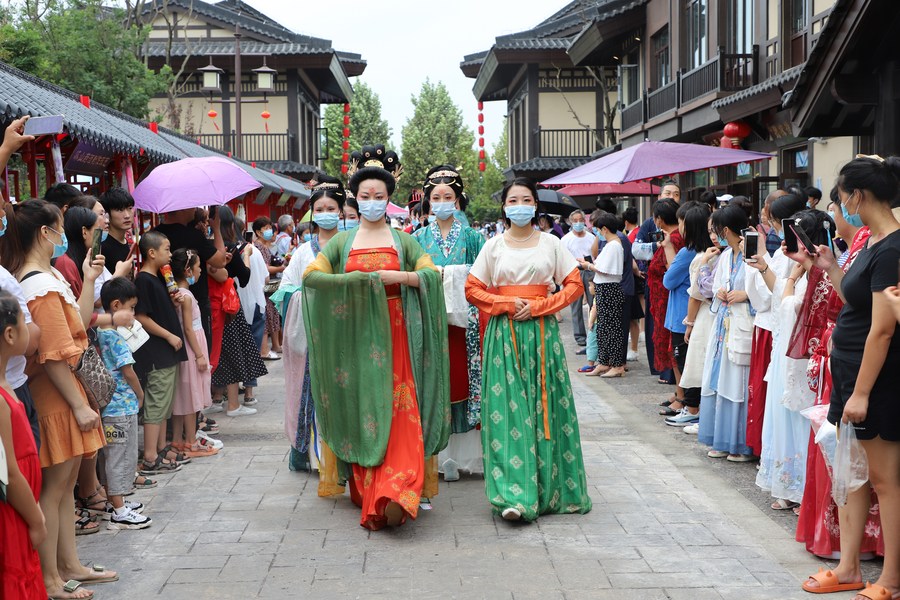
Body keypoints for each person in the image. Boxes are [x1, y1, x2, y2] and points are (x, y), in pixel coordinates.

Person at [303, 144, 449, 530]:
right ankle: (371, 490)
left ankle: (398, 488)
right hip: (357, 341)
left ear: (389, 198)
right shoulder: (340, 243)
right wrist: (355, 282)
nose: (372, 202)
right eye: (365, 196)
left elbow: (432, 276)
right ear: (355, 197)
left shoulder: (404, 240)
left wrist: (399, 278)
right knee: (366, 410)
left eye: (379, 196)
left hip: (399, 336)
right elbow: (311, 278)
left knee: (402, 410)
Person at [3, 198, 116, 599]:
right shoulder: (38, 283)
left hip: (65, 392)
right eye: (60, 227)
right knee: (54, 487)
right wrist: (80, 405)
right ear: (44, 233)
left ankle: (69, 564)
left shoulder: (47, 275)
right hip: (58, 395)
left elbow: (78, 325)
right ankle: (51, 577)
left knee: (65, 486)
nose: (64, 235)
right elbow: (52, 354)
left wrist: (86, 277)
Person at [800, 155, 900, 600]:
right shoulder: (873, 241)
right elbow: (855, 303)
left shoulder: (893, 247)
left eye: (842, 199)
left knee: (884, 479)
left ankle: (891, 578)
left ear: (857, 195)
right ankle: (847, 568)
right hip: (850, 373)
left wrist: (861, 392)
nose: (843, 207)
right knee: (854, 474)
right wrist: (832, 268)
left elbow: (882, 328)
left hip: (874, 379)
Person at [465, 176, 592, 522]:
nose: (519, 206)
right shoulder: (493, 246)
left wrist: (539, 306)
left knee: (543, 409)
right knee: (507, 412)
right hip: (504, 336)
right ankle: (512, 495)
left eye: (526, 200)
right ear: (504, 208)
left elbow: (575, 284)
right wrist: (505, 304)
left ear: (535, 206)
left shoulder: (551, 243)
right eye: (513, 201)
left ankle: (549, 490)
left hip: (541, 336)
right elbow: (473, 289)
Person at [412, 164, 485, 481]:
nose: (442, 201)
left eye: (449, 196)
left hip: (465, 325)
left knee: (464, 381)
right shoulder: (416, 239)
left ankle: (468, 455)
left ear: (457, 200)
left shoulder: (473, 237)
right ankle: (439, 456)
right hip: (430, 322)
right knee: (435, 383)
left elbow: (484, 279)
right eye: (436, 196)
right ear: (428, 201)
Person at [277, 175, 346, 483]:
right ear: (312, 213)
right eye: (320, 208)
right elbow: (285, 289)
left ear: (341, 211)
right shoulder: (304, 251)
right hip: (311, 333)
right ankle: (313, 455)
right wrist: (308, 295)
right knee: (314, 395)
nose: (326, 212)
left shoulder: (351, 246)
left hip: (346, 332)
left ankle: (345, 453)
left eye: (332, 207)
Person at [743, 193, 807, 456]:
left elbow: (776, 297)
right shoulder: (784, 252)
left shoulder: (792, 253)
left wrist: (762, 263)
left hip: (783, 329)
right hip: (778, 328)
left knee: (784, 399)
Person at [697, 204, 755, 462]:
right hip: (725, 323)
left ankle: (740, 443)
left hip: (742, 322)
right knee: (721, 378)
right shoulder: (726, 256)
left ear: (728, 230)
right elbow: (719, 284)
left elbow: (766, 291)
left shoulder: (752, 253)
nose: (715, 236)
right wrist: (721, 291)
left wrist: (746, 295)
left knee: (738, 382)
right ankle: (722, 438)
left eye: (718, 231)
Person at [0, 289, 46, 600]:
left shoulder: (7, 382)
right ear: (10, 333)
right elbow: (10, 473)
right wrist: (37, 518)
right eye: (25, 321)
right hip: (15, 512)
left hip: (21, 507)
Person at [96, 278, 152, 530]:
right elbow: (128, 371)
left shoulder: (100, 332)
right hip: (121, 408)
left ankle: (115, 501)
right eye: (130, 308)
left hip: (110, 408)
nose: (132, 314)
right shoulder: (115, 337)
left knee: (112, 456)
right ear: (116, 305)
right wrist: (140, 394)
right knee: (119, 456)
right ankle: (119, 510)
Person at [133, 231, 188, 475]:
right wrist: (167, 335)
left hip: (167, 351)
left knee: (164, 402)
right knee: (156, 403)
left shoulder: (157, 278)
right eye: (166, 249)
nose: (169, 253)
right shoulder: (143, 280)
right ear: (151, 253)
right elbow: (141, 316)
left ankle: (161, 447)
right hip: (157, 351)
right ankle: (150, 456)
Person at [207, 208, 268, 417]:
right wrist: (247, 256)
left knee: (218, 352)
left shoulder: (206, 248)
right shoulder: (229, 249)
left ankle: (216, 398)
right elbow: (243, 277)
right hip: (228, 307)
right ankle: (233, 404)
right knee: (233, 352)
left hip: (211, 306)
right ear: (231, 225)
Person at [663, 203, 713, 426]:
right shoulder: (709, 252)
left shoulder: (688, 253)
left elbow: (668, 280)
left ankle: (691, 406)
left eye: (682, 222)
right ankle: (691, 404)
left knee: (686, 362)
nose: (679, 227)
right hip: (697, 316)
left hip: (685, 316)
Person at [154, 207, 228, 350]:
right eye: (192, 206)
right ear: (181, 208)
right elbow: (220, 261)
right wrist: (216, 228)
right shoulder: (194, 236)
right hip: (196, 300)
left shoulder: (154, 236)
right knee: (201, 348)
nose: (195, 210)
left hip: (165, 301)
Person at [170, 249, 217, 457]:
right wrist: (199, 355)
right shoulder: (186, 297)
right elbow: (188, 328)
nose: (200, 272)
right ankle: (190, 440)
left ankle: (178, 441)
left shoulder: (179, 295)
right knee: (191, 395)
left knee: (184, 394)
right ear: (188, 270)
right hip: (192, 347)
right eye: (198, 268)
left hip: (191, 346)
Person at [635, 180, 681, 381]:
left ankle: (675, 379)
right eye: (668, 193)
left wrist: (667, 246)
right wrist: (657, 246)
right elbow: (636, 250)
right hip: (654, 286)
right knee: (658, 329)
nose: (671, 197)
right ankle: (663, 371)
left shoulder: (680, 232)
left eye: (676, 194)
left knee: (671, 333)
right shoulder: (648, 224)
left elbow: (673, 272)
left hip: (672, 289)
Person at [583, 212, 626, 377]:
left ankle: (616, 365)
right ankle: (604, 361)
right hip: (605, 288)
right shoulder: (612, 244)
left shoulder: (614, 245)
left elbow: (605, 269)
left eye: (598, 230)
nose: (598, 234)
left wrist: (588, 265)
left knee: (612, 327)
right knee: (603, 327)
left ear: (605, 229)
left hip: (609, 288)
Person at [647, 199, 683, 387]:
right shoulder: (673, 237)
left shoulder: (673, 240)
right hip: (664, 300)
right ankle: (679, 392)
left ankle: (681, 394)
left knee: (673, 346)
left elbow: (672, 271)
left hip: (669, 301)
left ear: (659, 219)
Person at [560, 209, 596, 350]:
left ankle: (594, 333)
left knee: (594, 304)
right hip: (573, 272)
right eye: (575, 221)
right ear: (570, 222)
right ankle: (580, 337)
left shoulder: (591, 237)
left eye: (581, 220)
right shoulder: (566, 239)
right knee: (575, 306)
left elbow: (595, 254)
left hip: (589, 271)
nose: (578, 223)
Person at [251, 216, 285, 360]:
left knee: (273, 314)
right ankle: (264, 349)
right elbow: (264, 268)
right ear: (258, 232)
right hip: (263, 287)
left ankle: (276, 345)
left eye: (270, 228)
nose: (269, 231)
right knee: (266, 317)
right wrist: (281, 268)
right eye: (265, 229)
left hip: (269, 286)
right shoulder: (258, 246)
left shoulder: (266, 246)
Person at [99, 188, 135, 272]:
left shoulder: (126, 241)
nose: (127, 215)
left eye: (129, 208)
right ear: (107, 214)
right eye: (120, 210)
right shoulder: (102, 246)